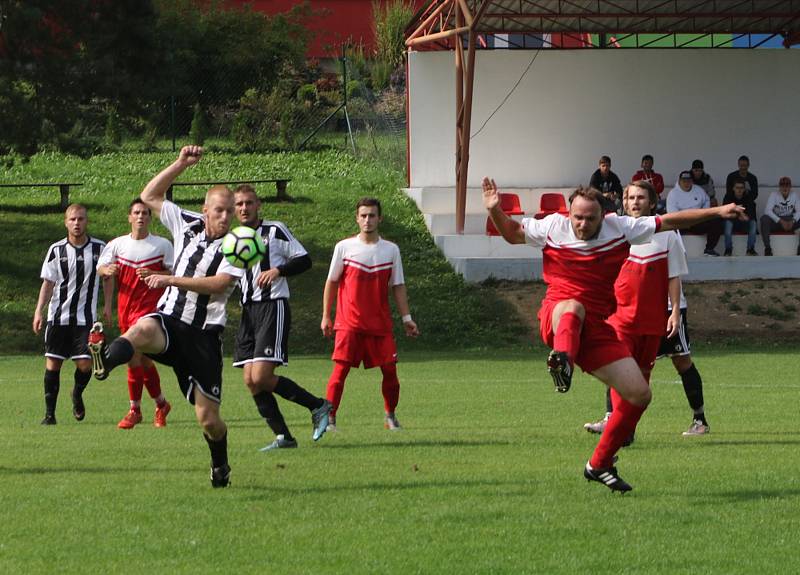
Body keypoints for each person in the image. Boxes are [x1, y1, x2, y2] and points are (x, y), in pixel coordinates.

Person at [483, 176, 745, 492]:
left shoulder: (619, 228)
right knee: (573, 306)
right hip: (558, 318)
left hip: (597, 330)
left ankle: (600, 463)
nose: (582, 223)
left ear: (602, 215)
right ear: (569, 213)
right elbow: (511, 234)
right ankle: (562, 358)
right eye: (577, 217)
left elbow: (671, 220)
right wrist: (496, 210)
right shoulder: (553, 226)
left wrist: (717, 212)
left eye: (589, 218)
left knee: (639, 394)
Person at [86, 146, 308, 488]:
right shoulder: (186, 222)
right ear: (204, 211)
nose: (226, 217)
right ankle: (104, 361)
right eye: (219, 211)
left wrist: (170, 278)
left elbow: (219, 285)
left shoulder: (240, 243)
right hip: (171, 322)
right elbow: (149, 194)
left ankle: (220, 465)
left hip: (203, 338)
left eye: (230, 211)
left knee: (208, 420)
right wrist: (180, 164)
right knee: (142, 328)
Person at [583, 181, 711, 438]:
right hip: (626, 313)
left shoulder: (666, 232)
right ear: (624, 201)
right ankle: (614, 419)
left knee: (682, 361)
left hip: (664, 312)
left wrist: (675, 310)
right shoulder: (618, 231)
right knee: (618, 360)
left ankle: (699, 420)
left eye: (641, 197)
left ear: (652, 202)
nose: (635, 202)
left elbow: (674, 275)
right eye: (630, 197)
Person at [231, 184, 332, 451]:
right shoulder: (231, 239)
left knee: (262, 376)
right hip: (248, 312)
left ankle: (318, 406)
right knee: (251, 379)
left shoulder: (274, 230)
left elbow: (305, 260)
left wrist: (278, 271)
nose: (244, 208)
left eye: (249, 203)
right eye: (239, 204)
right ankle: (284, 437)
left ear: (258, 205)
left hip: (272, 307)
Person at [321, 197, 419, 432]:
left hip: (379, 324)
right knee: (339, 372)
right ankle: (329, 419)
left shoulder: (391, 250)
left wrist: (407, 318)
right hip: (349, 323)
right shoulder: (344, 247)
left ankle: (390, 416)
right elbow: (332, 282)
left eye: (372, 215)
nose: (367, 220)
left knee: (390, 372)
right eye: (363, 215)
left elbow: (398, 285)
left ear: (379, 219)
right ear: (357, 218)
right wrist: (326, 315)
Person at [97, 199, 174, 429]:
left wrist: (154, 272)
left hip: (151, 311)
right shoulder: (117, 245)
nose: (141, 216)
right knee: (144, 360)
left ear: (150, 218)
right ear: (129, 217)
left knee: (133, 358)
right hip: (126, 310)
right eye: (136, 213)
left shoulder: (162, 245)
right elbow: (102, 268)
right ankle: (161, 404)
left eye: (145, 213)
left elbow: (175, 272)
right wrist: (107, 271)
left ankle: (135, 410)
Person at [33, 204, 111, 425]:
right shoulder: (56, 250)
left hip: (85, 319)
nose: (77, 223)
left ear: (87, 221)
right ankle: (50, 415)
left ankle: (77, 394)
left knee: (85, 365)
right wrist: (39, 310)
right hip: (58, 317)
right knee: (53, 365)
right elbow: (48, 283)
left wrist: (106, 306)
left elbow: (107, 277)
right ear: (66, 222)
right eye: (73, 219)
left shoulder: (99, 248)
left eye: (81, 219)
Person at [667, 170, 724, 256]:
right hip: (680, 223)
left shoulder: (699, 190)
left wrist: (703, 214)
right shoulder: (673, 194)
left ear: (692, 181)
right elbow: (672, 213)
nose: (686, 183)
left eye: (689, 181)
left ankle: (709, 249)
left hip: (697, 221)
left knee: (716, 221)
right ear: (679, 181)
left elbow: (706, 200)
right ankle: (672, 253)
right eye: (684, 181)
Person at [760, 176, 800, 256]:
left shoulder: (794, 195)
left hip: (790, 221)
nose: (785, 187)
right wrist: (780, 221)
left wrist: (793, 221)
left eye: (787, 185)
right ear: (779, 187)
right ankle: (768, 248)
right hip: (777, 222)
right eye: (782, 185)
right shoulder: (774, 194)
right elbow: (767, 211)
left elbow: (799, 211)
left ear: (790, 187)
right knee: (764, 219)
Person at [722, 178, 758, 256]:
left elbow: (752, 212)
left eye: (741, 188)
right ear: (733, 188)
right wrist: (739, 215)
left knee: (753, 223)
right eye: (737, 188)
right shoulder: (728, 196)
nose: (739, 190)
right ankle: (728, 250)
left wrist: (746, 217)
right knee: (728, 223)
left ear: (744, 189)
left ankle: (750, 249)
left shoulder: (748, 197)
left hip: (744, 223)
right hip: (733, 222)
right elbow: (725, 212)